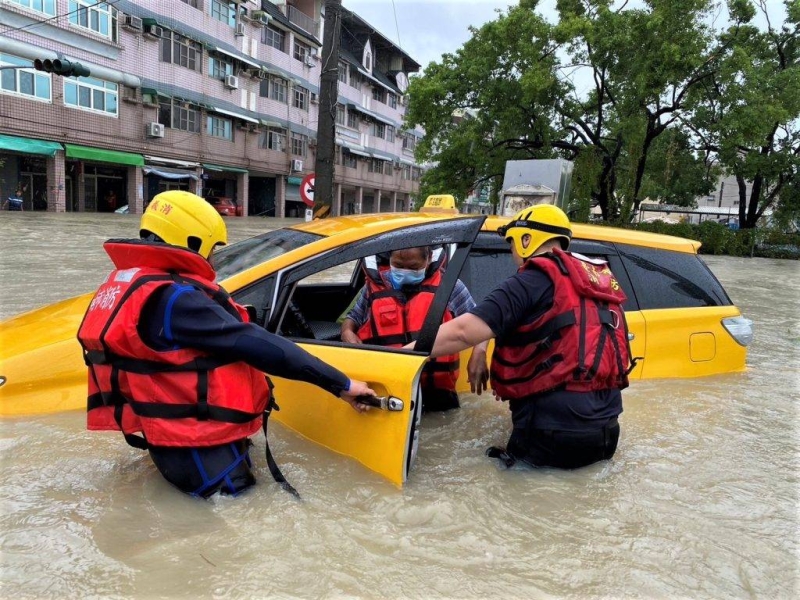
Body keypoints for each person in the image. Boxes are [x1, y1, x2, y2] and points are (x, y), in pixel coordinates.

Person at [77, 191, 375, 498]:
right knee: (244, 517)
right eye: (214, 248)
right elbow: (260, 346)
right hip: (202, 452)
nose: (213, 257)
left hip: (172, 442)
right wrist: (342, 383)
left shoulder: (136, 285)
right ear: (194, 241)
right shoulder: (177, 299)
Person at [408, 205, 633, 469]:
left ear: (527, 240)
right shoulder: (594, 279)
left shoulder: (531, 280)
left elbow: (463, 331)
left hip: (552, 434)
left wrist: (400, 353)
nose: (512, 252)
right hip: (607, 431)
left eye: (513, 243)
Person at [341, 246, 488, 412]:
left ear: (429, 258)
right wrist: (347, 332)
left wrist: (479, 351)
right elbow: (352, 318)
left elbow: (482, 321)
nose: (404, 272)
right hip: (388, 390)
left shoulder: (450, 287)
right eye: (398, 265)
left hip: (438, 396)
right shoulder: (373, 288)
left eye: (413, 267)